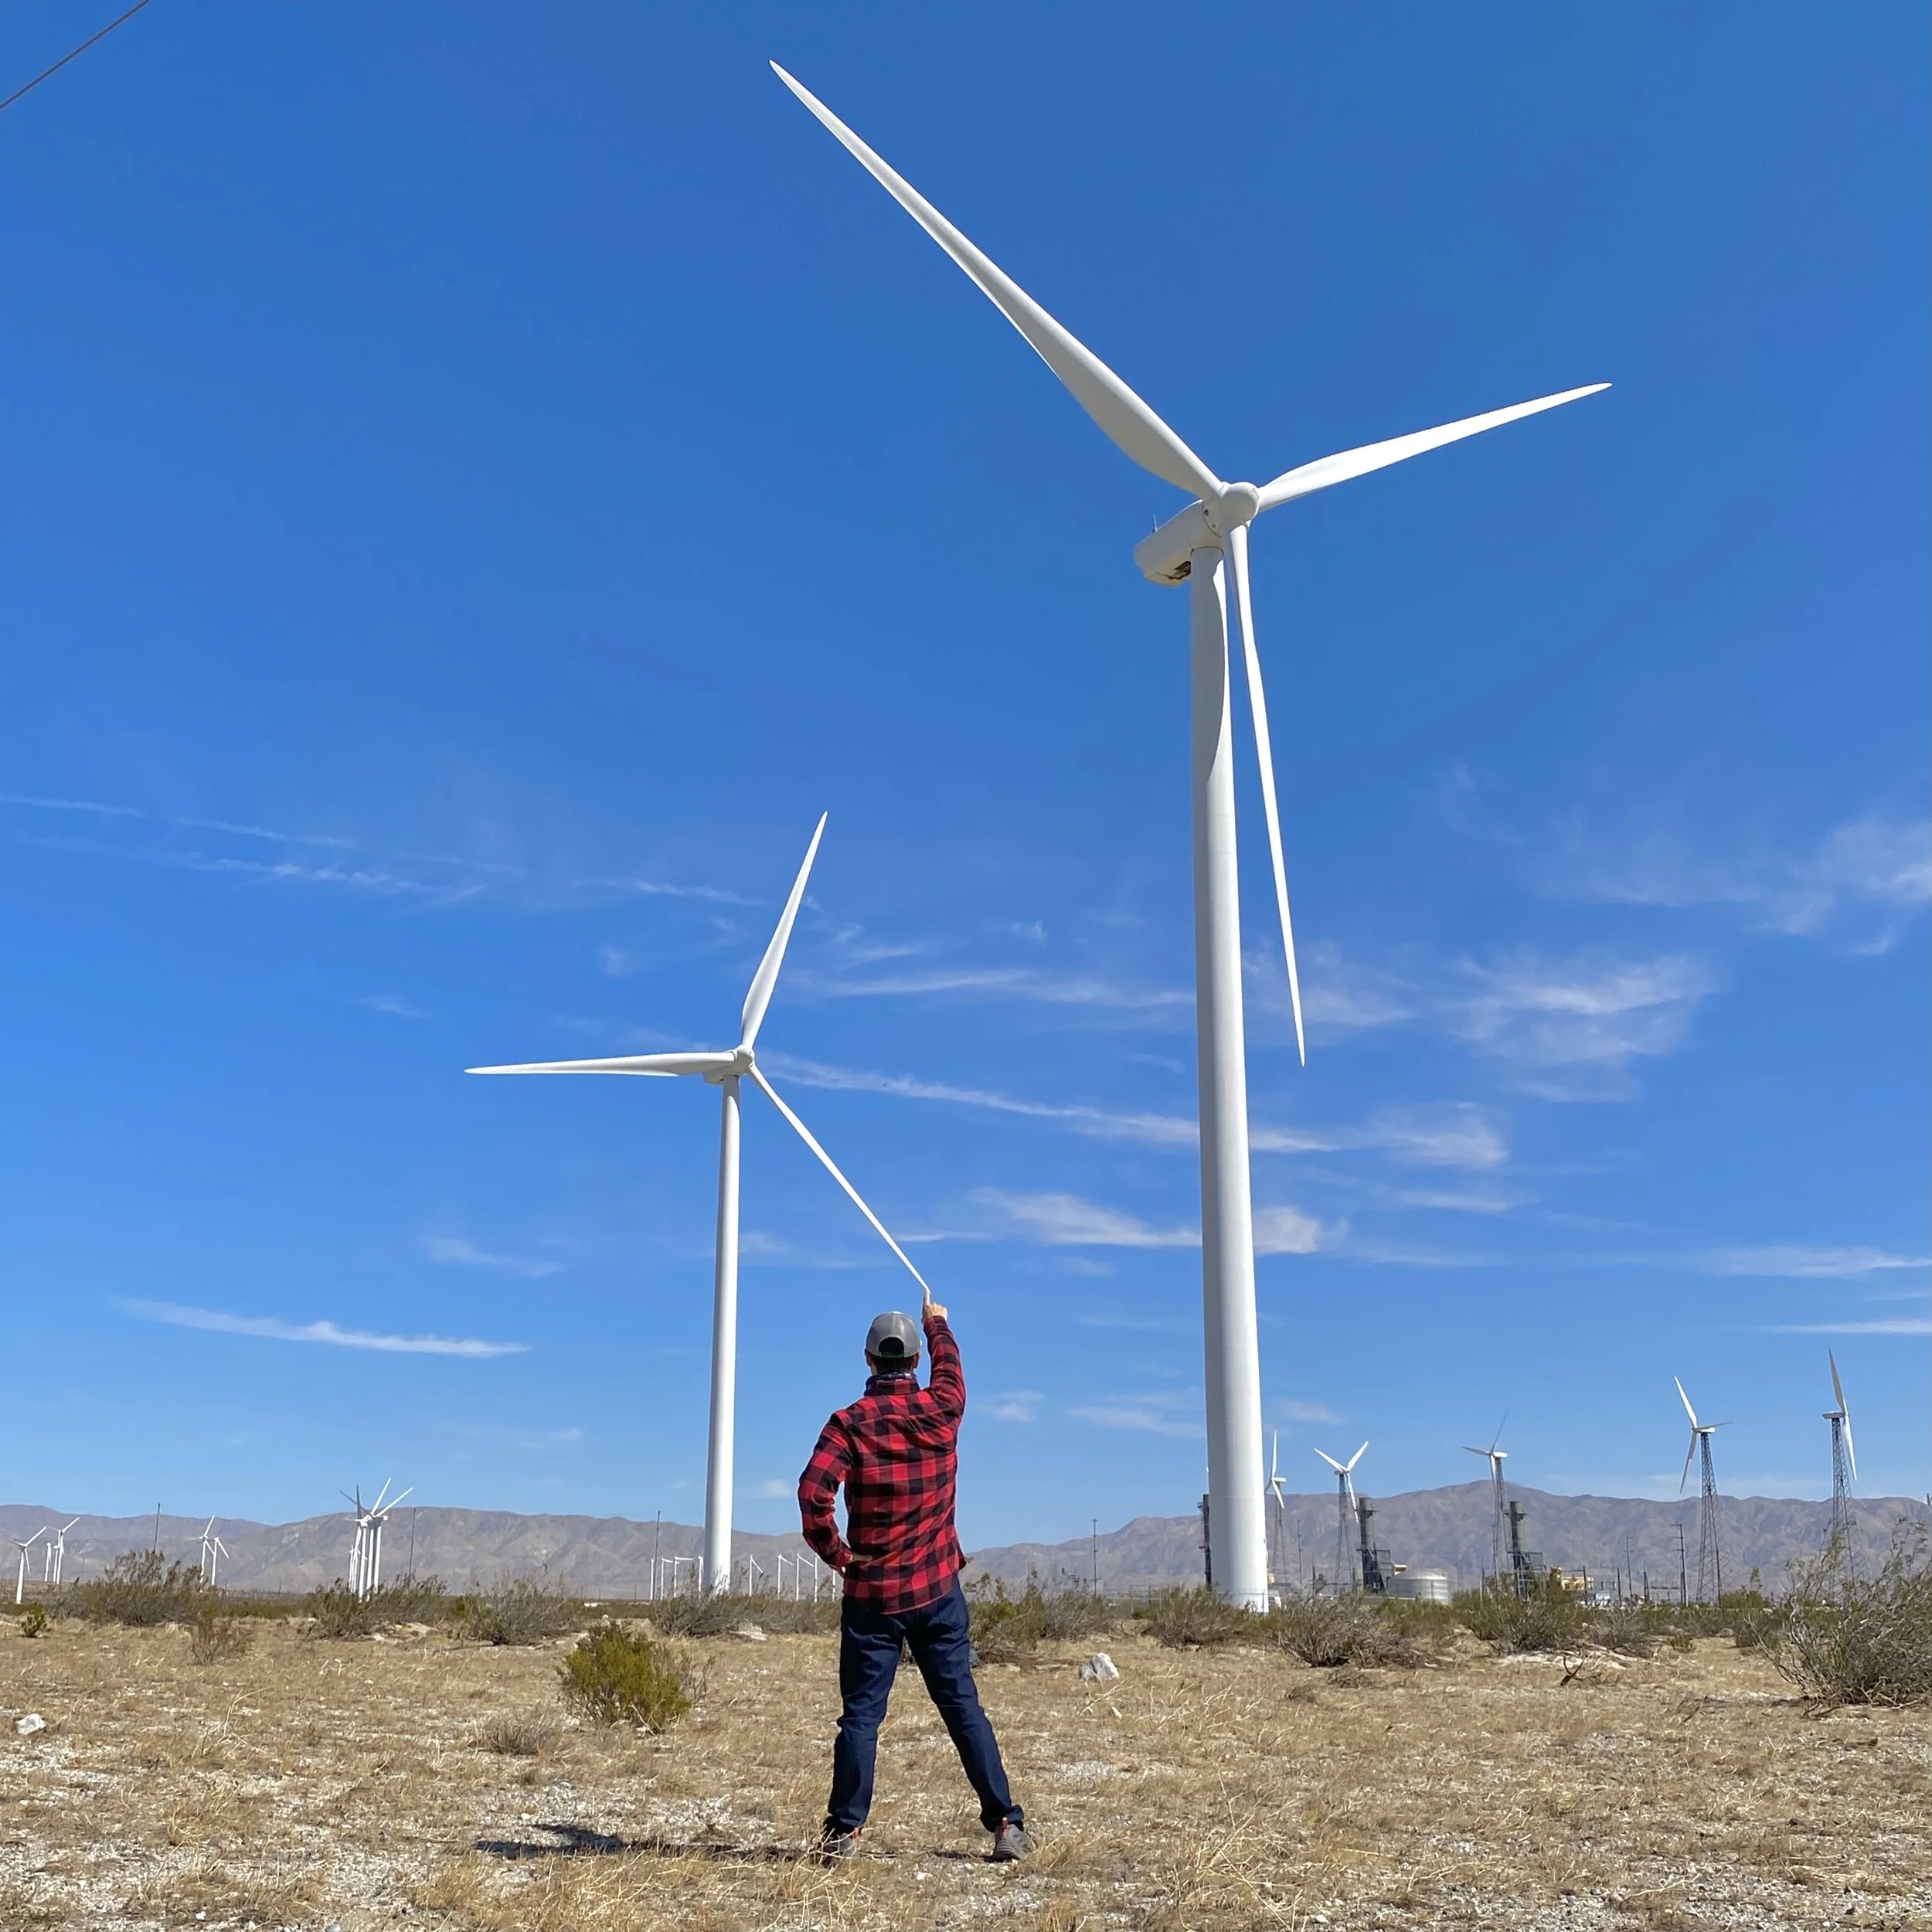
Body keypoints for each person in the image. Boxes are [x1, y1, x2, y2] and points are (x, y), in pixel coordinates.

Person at [798, 1283, 1029, 1862]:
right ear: (915, 1362)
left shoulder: (848, 1425)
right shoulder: (941, 1409)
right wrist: (938, 1323)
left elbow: (812, 1493)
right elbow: (952, 1372)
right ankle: (1005, 1824)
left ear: (869, 1359)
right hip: (936, 1591)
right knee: (962, 1709)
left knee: (861, 1719)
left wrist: (840, 1555)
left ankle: (845, 1833)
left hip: (873, 1596)